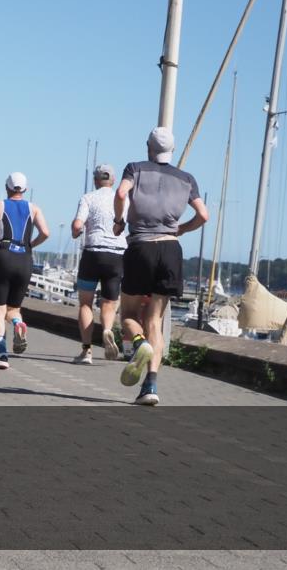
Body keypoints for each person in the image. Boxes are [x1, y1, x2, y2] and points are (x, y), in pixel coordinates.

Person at [113, 127, 208, 405]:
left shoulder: (135, 168)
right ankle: (150, 387)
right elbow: (203, 214)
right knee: (155, 319)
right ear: (173, 150)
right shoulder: (187, 178)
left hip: (141, 246)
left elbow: (120, 194)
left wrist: (119, 222)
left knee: (129, 314)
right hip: (170, 249)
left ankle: (139, 344)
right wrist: (183, 229)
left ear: (148, 147)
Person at [0, 172, 50, 369]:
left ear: (7, 187)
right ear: (25, 189)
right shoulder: (34, 208)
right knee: (13, 309)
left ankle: (2, 355)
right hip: (25, 258)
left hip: (4, 255)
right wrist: (31, 244)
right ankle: (18, 323)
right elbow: (46, 232)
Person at [70, 163, 128, 364]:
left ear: (96, 180)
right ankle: (107, 330)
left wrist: (76, 231)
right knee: (109, 302)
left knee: (86, 303)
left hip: (93, 253)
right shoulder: (124, 200)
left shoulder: (88, 198)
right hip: (116, 255)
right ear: (113, 181)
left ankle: (86, 351)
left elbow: (78, 225)